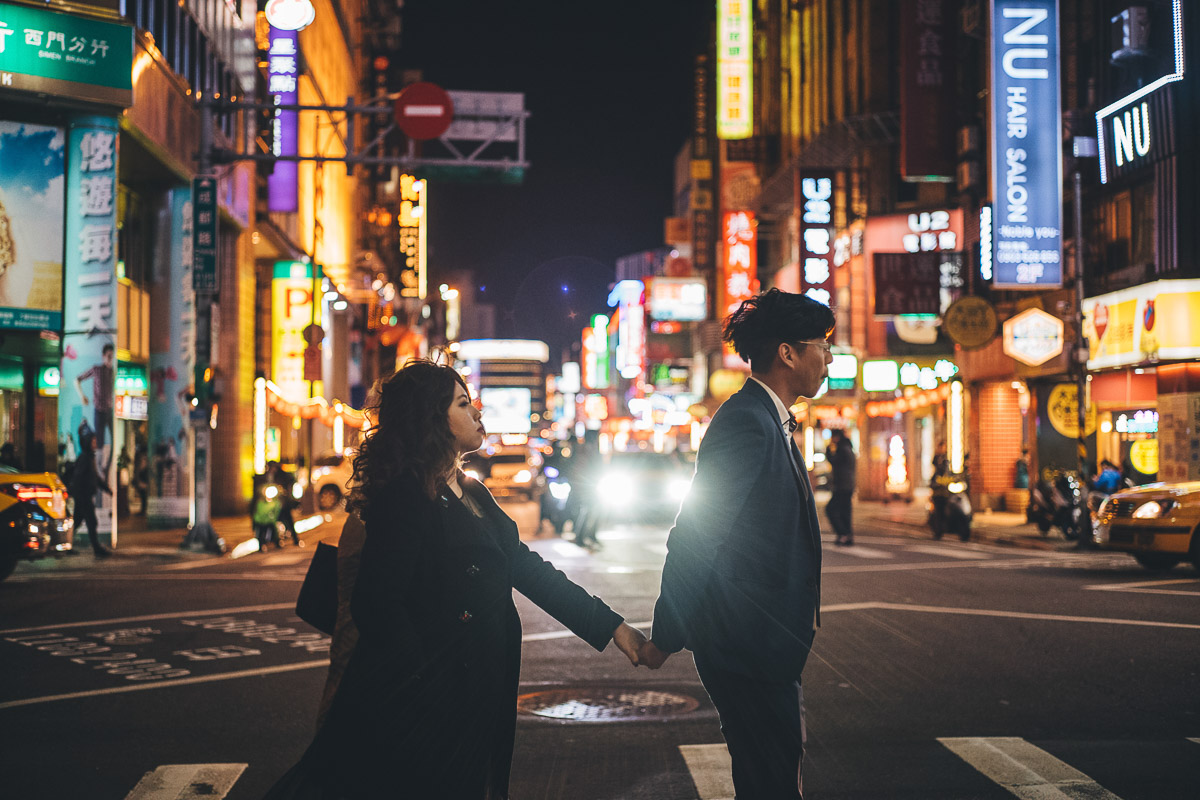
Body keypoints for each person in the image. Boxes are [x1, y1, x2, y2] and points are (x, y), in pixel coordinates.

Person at [265, 360, 646, 799]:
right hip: (435, 702)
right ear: (432, 418)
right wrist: (427, 685)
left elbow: (525, 567)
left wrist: (612, 626)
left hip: (479, 691)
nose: (478, 411)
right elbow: (377, 604)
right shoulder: (406, 495)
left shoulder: (473, 492)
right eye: (463, 404)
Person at [639, 289, 833, 799]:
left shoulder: (768, 420)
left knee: (769, 774)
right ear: (788, 353)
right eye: (822, 344)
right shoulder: (747, 423)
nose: (829, 356)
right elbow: (697, 534)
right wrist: (667, 634)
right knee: (770, 781)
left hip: (763, 644)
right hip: (750, 646)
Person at [75, 342, 115, 472]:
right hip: (99, 410)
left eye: (112, 357)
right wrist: (82, 396)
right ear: (103, 356)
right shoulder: (97, 370)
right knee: (100, 443)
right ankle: (98, 469)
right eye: (108, 356)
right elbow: (77, 379)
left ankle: (105, 469)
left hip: (109, 410)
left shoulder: (113, 372)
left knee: (113, 441)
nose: (110, 359)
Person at [71, 433, 112, 557]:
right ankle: (97, 549)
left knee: (77, 521)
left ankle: (66, 544)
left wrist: (106, 488)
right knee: (91, 522)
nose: (95, 444)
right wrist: (78, 493)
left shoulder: (89, 457)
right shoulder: (85, 458)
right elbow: (78, 477)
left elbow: (95, 478)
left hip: (84, 496)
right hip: (84, 496)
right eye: (93, 442)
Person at [826, 429, 857, 546]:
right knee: (845, 511)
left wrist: (828, 450)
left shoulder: (842, 449)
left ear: (837, 437)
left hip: (842, 486)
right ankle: (847, 536)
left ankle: (843, 534)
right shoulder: (848, 448)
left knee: (830, 509)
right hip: (847, 485)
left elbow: (834, 461)